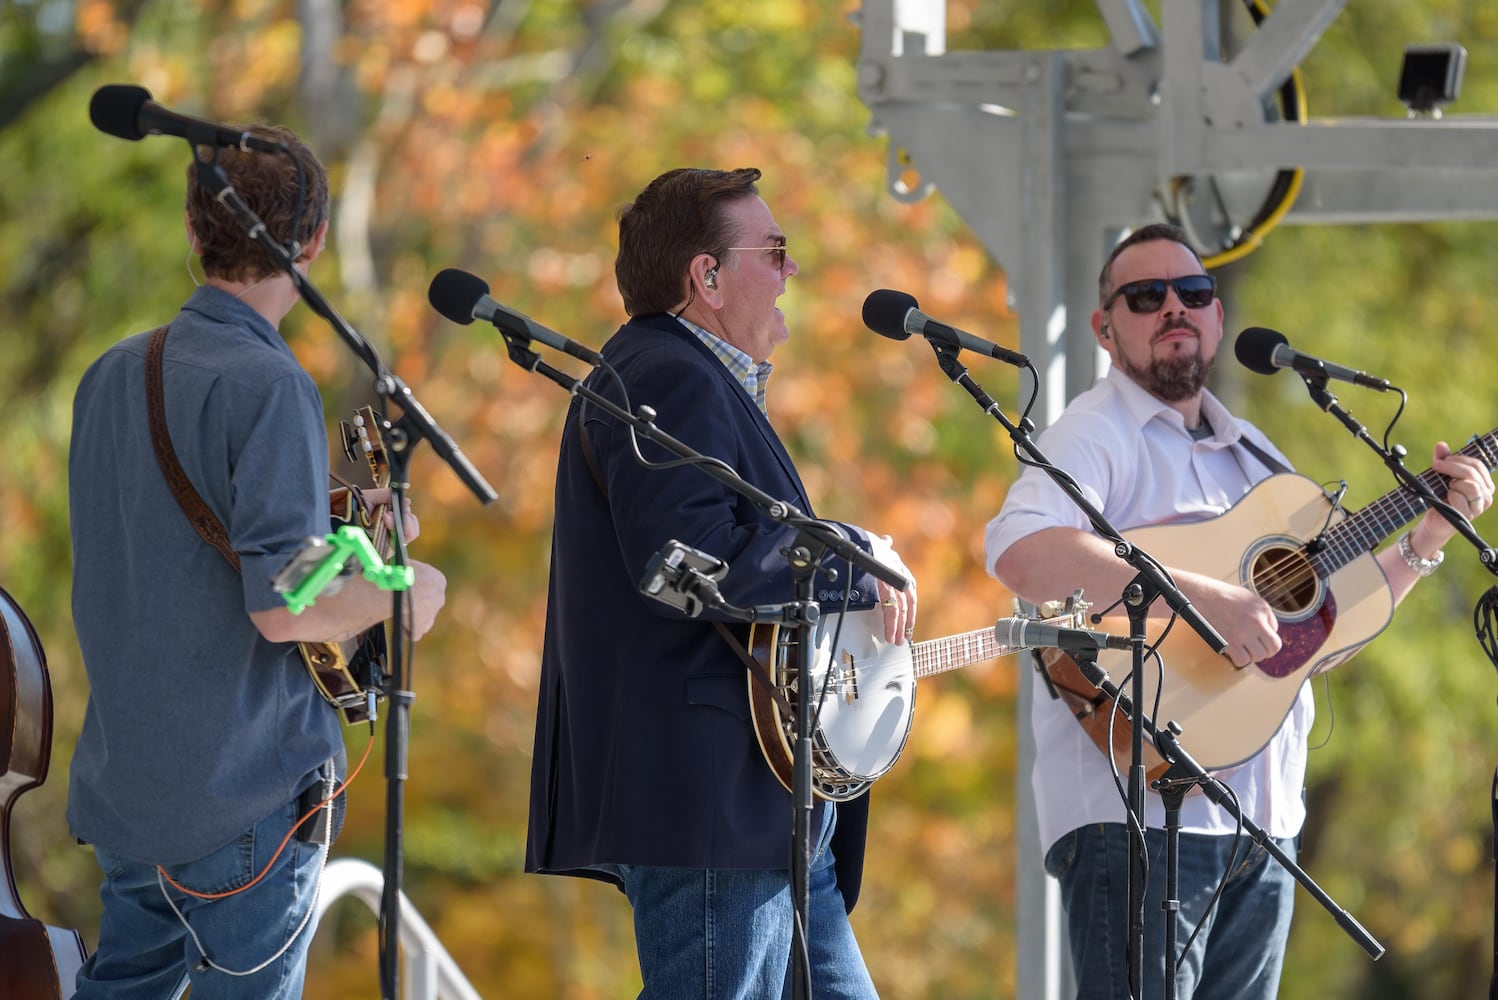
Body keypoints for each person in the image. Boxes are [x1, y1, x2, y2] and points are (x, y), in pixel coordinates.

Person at [984, 222, 1494, 999]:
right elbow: (1019, 552)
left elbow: (1318, 638)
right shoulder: (1097, 432)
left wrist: (1430, 536)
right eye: (1146, 296)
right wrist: (1199, 596)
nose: (1174, 309)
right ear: (1105, 329)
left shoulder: (1255, 456)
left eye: (1193, 293)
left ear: (1217, 318)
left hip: (1263, 827)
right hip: (1139, 821)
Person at [66, 125, 447, 998]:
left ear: (195, 234)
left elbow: (174, 562)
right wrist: (398, 589)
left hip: (132, 790)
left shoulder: (110, 373)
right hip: (242, 799)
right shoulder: (269, 384)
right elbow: (284, 607)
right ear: (310, 244)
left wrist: (353, 539)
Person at [526, 166, 917, 998]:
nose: (792, 272)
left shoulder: (682, 375)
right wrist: (854, 555)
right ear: (705, 277)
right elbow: (689, 563)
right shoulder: (667, 373)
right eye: (774, 252)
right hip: (712, 799)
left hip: (762, 799)